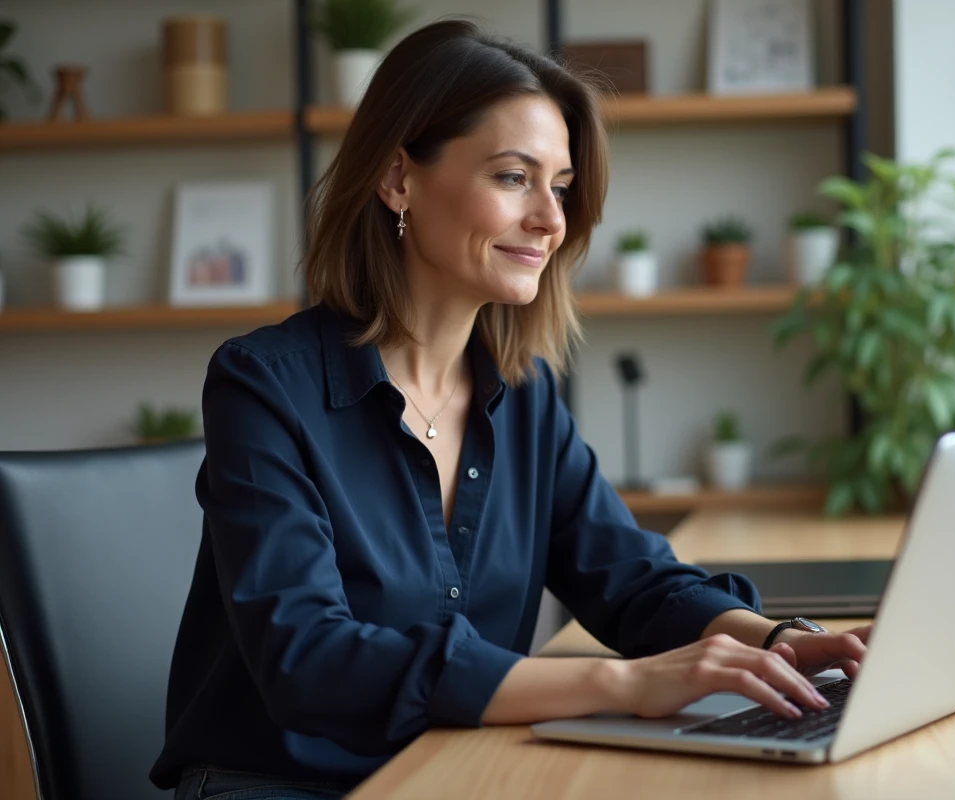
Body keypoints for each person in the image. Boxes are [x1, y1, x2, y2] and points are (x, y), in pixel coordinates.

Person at [150, 19, 870, 800]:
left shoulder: (522, 397)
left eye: (558, 186)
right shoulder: (264, 386)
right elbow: (309, 660)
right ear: (398, 180)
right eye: (511, 177)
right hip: (276, 785)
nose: (550, 220)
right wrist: (623, 686)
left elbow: (632, 582)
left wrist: (784, 643)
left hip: (451, 770)